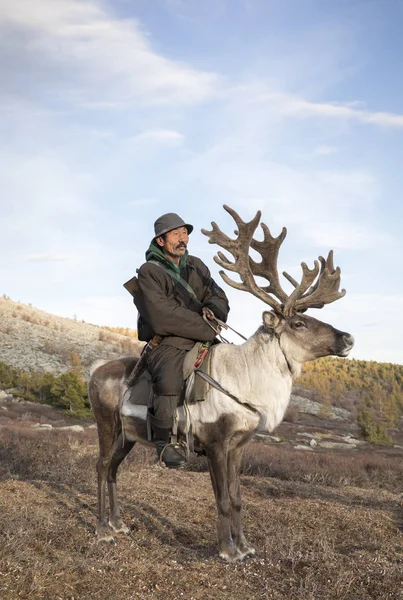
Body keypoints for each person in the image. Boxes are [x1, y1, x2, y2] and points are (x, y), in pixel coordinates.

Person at [133, 212, 230, 468]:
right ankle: (164, 443)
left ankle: (208, 434)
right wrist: (206, 328)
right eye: (175, 234)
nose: (182, 238)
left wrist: (213, 310)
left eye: (184, 233)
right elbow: (162, 315)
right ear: (161, 241)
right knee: (168, 377)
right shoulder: (149, 271)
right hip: (168, 341)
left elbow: (218, 295)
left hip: (203, 335)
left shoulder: (197, 265)